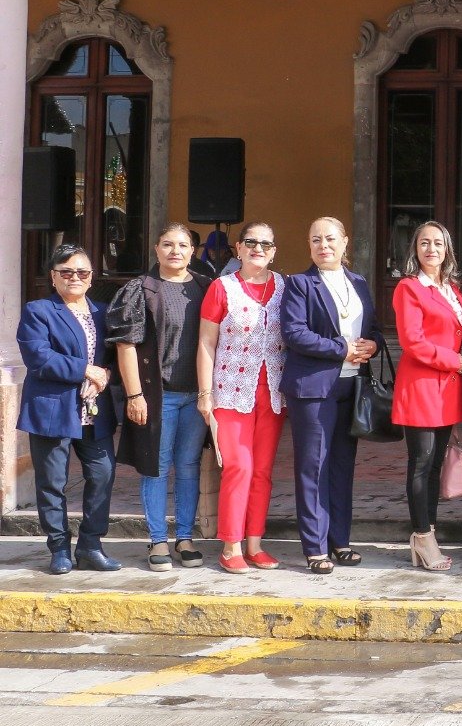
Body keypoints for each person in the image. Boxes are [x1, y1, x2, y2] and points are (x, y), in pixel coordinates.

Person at [279, 218, 381, 573]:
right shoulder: (299, 284)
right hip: (313, 388)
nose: (324, 245)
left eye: (330, 239)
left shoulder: (359, 282)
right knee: (314, 467)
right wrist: (342, 349)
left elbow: (373, 329)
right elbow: (294, 333)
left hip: (351, 386)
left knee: (341, 466)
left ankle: (340, 541)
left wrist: (372, 345)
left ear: (345, 242)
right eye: (316, 240)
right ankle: (315, 547)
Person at [107, 223, 211, 571]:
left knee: (188, 466)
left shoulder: (205, 287)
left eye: (182, 245)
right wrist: (134, 394)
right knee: (156, 466)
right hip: (158, 395)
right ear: (156, 249)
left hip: (196, 395)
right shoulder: (140, 289)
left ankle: (185, 537)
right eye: (168, 244)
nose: (175, 251)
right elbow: (126, 345)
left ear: (192, 251)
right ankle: (157, 540)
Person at [17, 245, 120, 574]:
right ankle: (59, 547)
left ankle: (91, 545)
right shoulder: (39, 310)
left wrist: (105, 375)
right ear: (53, 276)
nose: (74, 277)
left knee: (102, 474)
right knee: (52, 482)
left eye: (82, 272)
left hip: (94, 410)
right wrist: (86, 370)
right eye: (66, 272)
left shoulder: (103, 312)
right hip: (53, 409)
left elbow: (115, 356)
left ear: (91, 278)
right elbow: (38, 357)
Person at [196, 222, 288, 574]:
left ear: (274, 251)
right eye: (251, 242)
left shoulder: (285, 287)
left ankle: (254, 544)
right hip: (231, 390)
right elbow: (206, 342)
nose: (258, 248)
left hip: (273, 393)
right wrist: (205, 393)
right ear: (238, 248)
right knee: (238, 467)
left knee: (262, 471)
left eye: (266, 244)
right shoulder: (222, 288)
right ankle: (230, 545)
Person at [392, 220, 462, 572]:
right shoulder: (409, 287)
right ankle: (422, 536)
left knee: (436, 464)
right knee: (421, 463)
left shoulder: (451, 288)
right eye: (424, 242)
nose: (431, 249)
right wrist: (453, 360)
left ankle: (429, 533)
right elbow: (412, 341)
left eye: (438, 242)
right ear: (415, 248)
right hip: (422, 384)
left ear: (447, 249)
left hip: (446, 388)